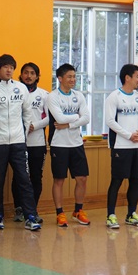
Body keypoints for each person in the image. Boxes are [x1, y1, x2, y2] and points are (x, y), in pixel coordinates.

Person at [0, 54, 41, 231]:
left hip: (18, 142)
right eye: (5, 67)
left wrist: (23, 135)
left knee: (24, 179)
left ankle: (30, 216)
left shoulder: (21, 88)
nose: (9, 70)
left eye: (11, 67)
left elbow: (27, 113)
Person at [105, 64, 138, 228]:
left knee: (135, 180)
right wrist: (128, 135)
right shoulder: (114, 97)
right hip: (121, 145)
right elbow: (110, 121)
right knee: (117, 180)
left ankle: (131, 214)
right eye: (137, 76)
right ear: (127, 78)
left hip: (137, 146)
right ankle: (111, 215)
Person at [48, 63, 90, 227]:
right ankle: (60, 213)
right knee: (59, 179)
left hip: (76, 143)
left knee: (82, 178)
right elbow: (59, 118)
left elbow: (87, 118)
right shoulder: (53, 96)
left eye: (74, 76)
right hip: (59, 144)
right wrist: (77, 117)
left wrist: (69, 124)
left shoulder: (79, 96)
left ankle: (78, 211)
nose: (73, 79)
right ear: (60, 78)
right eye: (69, 77)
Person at [18, 62, 49, 224]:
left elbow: (50, 118)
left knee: (36, 177)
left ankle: (33, 210)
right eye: (26, 72)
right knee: (19, 177)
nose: (28, 76)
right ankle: (19, 209)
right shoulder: (16, 92)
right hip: (18, 142)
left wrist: (34, 126)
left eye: (32, 73)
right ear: (21, 75)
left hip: (37, 143)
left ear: (37, 76)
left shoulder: (44, 95)